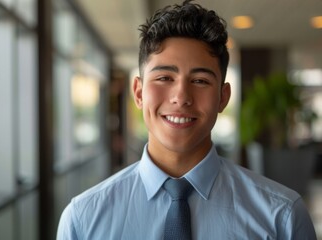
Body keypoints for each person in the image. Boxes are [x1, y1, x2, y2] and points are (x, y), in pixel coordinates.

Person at [57, 1, 317, 239]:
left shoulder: (282, 216)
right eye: (164, 78)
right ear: (138, 93)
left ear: (223, 97)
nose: (181, 97)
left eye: (200, 81)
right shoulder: (83, 219)